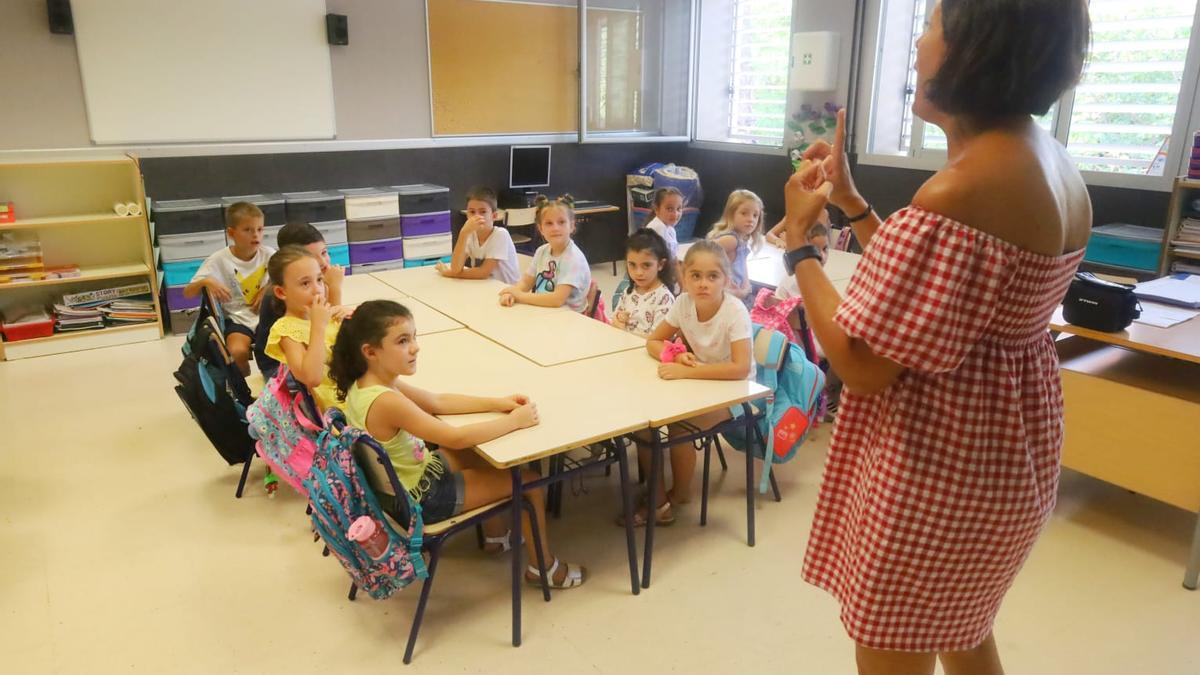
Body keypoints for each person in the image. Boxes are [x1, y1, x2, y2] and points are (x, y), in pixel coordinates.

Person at [780, 2, 1092, 673]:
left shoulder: (962, 188)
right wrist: (855, 205)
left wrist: (800, 244)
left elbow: (862, 363)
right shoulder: (1048, 161)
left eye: (929, 27)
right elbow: (940, 296)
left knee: (895, 643)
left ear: (974, 49)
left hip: (937, 472)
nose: (918, 47)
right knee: (964, 627)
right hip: (1004, 458)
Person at [332, 300, 586, 588]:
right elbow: (454, 437)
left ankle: (496, 538)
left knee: (481, 456)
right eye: (403, 341)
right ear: (370, 351)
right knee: (530, 484)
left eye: (415, 337)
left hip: (405, 486)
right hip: (423, 498)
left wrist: (497, 403)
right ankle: (543, 569)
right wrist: (516, 421)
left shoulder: (368, 383)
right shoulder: (387, 401)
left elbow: (436, 401)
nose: (415, 347)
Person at [625, 240, 754, 526]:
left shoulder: (735, 312)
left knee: (679, 426)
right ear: (683, 276)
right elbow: (654, 342)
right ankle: (657, 498)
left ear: (726, 279)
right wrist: (675, 356)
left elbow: (741, 368)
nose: (703, 284)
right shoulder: (683, 303)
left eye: (712, 276)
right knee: (646, 421)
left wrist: (687, 372)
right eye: (695, 276)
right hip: (699, 383)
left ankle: (680, 494)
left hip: (734, 392)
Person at [184, 202, 275, 374]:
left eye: (260, 229)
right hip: (237, 319)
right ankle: (246, 391)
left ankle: (275, 385)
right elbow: (188, 292)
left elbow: (287, 278)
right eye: (248, 230)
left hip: (268, 316)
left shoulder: (269, 254)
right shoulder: (218, 259)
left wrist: (268, 288)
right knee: (236, 352)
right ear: (231, 233)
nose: (255, 235)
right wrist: (206, 282)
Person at [263, 246, 350, 412]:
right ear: (281, 292)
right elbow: (311, 378)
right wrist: (318, 326)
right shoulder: (286, 329)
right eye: (305, 283)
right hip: (337, 410)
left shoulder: (323, 314)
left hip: (353, 387)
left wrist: (349, 316)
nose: (317, 289)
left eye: (319, 280)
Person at [255, 222, 345, 378]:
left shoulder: (311, 287)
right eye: (312, 257)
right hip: (280, 369)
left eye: (324, 253)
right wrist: (335, 291)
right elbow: (330, 341)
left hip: (312, 357)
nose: (323, 263)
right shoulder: (285, 298)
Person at [499, 196, 592, 312]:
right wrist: (512, 293)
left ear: (572, 226)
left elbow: (556, 300)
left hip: (569, 318)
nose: (555, 228)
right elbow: (526, 282)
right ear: (541, 229)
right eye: (549, 223)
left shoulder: (574, 258)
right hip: (545, 310)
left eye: (561, 222)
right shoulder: (541, 251)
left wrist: (519, 295)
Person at [437, 186, 521, 284]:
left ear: (494, 216)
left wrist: (450, 273)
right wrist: (463, 233)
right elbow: (455, 268)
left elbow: (483, 273)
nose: (476, 216)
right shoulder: (469, 235)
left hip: (507, 291)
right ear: (467, 215)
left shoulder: (500, 234)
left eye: (483, 212)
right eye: (472, 212)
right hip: (484, 287)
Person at [612, 228, 676, 338]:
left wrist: (622, 330)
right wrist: (619, 319)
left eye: (646, 265)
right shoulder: (629, 290)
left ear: (660, 264)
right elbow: (615, 319)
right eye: (632, 264)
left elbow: (656, 340)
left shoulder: (664, 298)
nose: (639, 273)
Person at [706, 190, 765, 305]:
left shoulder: (742, 240)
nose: (751, 219)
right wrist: (727, 288)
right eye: (744, 213)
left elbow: (743, 267)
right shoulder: (731, 240)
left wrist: (746, 287)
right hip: (724, 297)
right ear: (731, 214)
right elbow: (702, 253)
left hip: (737, 294)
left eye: (755, 215)